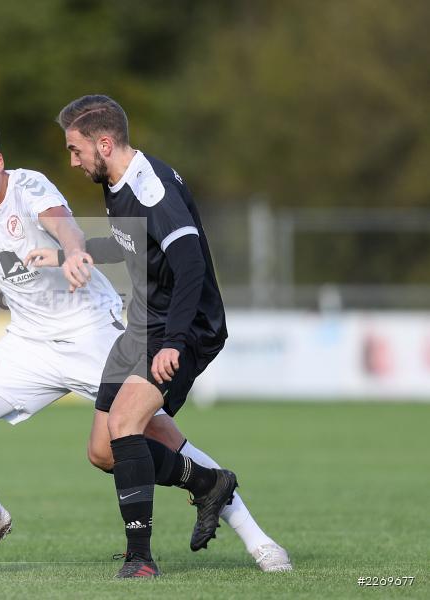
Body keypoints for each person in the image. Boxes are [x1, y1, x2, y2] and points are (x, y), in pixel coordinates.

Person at [0, 116, 290, 575]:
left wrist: (74, 252)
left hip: (93, 330)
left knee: (145, 437)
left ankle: (258, 539)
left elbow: (65, 226)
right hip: (29, 342)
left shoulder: (30, 187)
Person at [26, 94, 292, 577]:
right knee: (103, 451)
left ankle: (140, 559)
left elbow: (190, 266)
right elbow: (136, 245)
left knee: (127, 424)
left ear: (104, 143)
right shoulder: (115, 180)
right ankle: (208, 482)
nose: (72, 160)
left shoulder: (153, 189)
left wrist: (173, 341)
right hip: (143, 324)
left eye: (74, 149)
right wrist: (76, 253)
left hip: (185, 328)